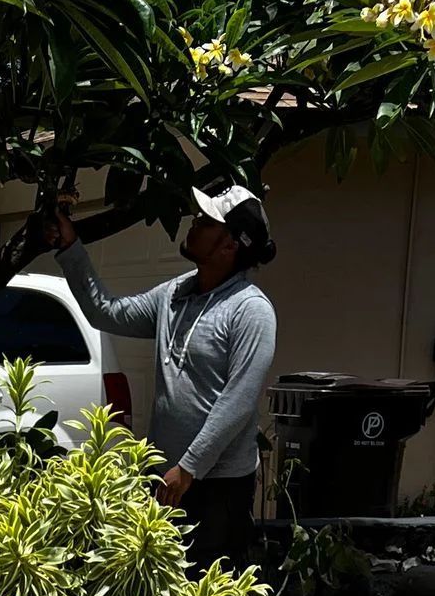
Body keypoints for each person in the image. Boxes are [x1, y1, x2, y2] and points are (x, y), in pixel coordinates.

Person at [49, 180, 278, 570]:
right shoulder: (175, 294)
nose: (194, 222)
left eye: (207, 222)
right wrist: (71, 248)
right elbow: (108, 313)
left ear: (229, 245)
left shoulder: (250, 311)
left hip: (217, 486)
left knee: (209, 594)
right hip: (164, 475)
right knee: (160, 587)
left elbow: (238, 403)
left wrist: (188, 469)